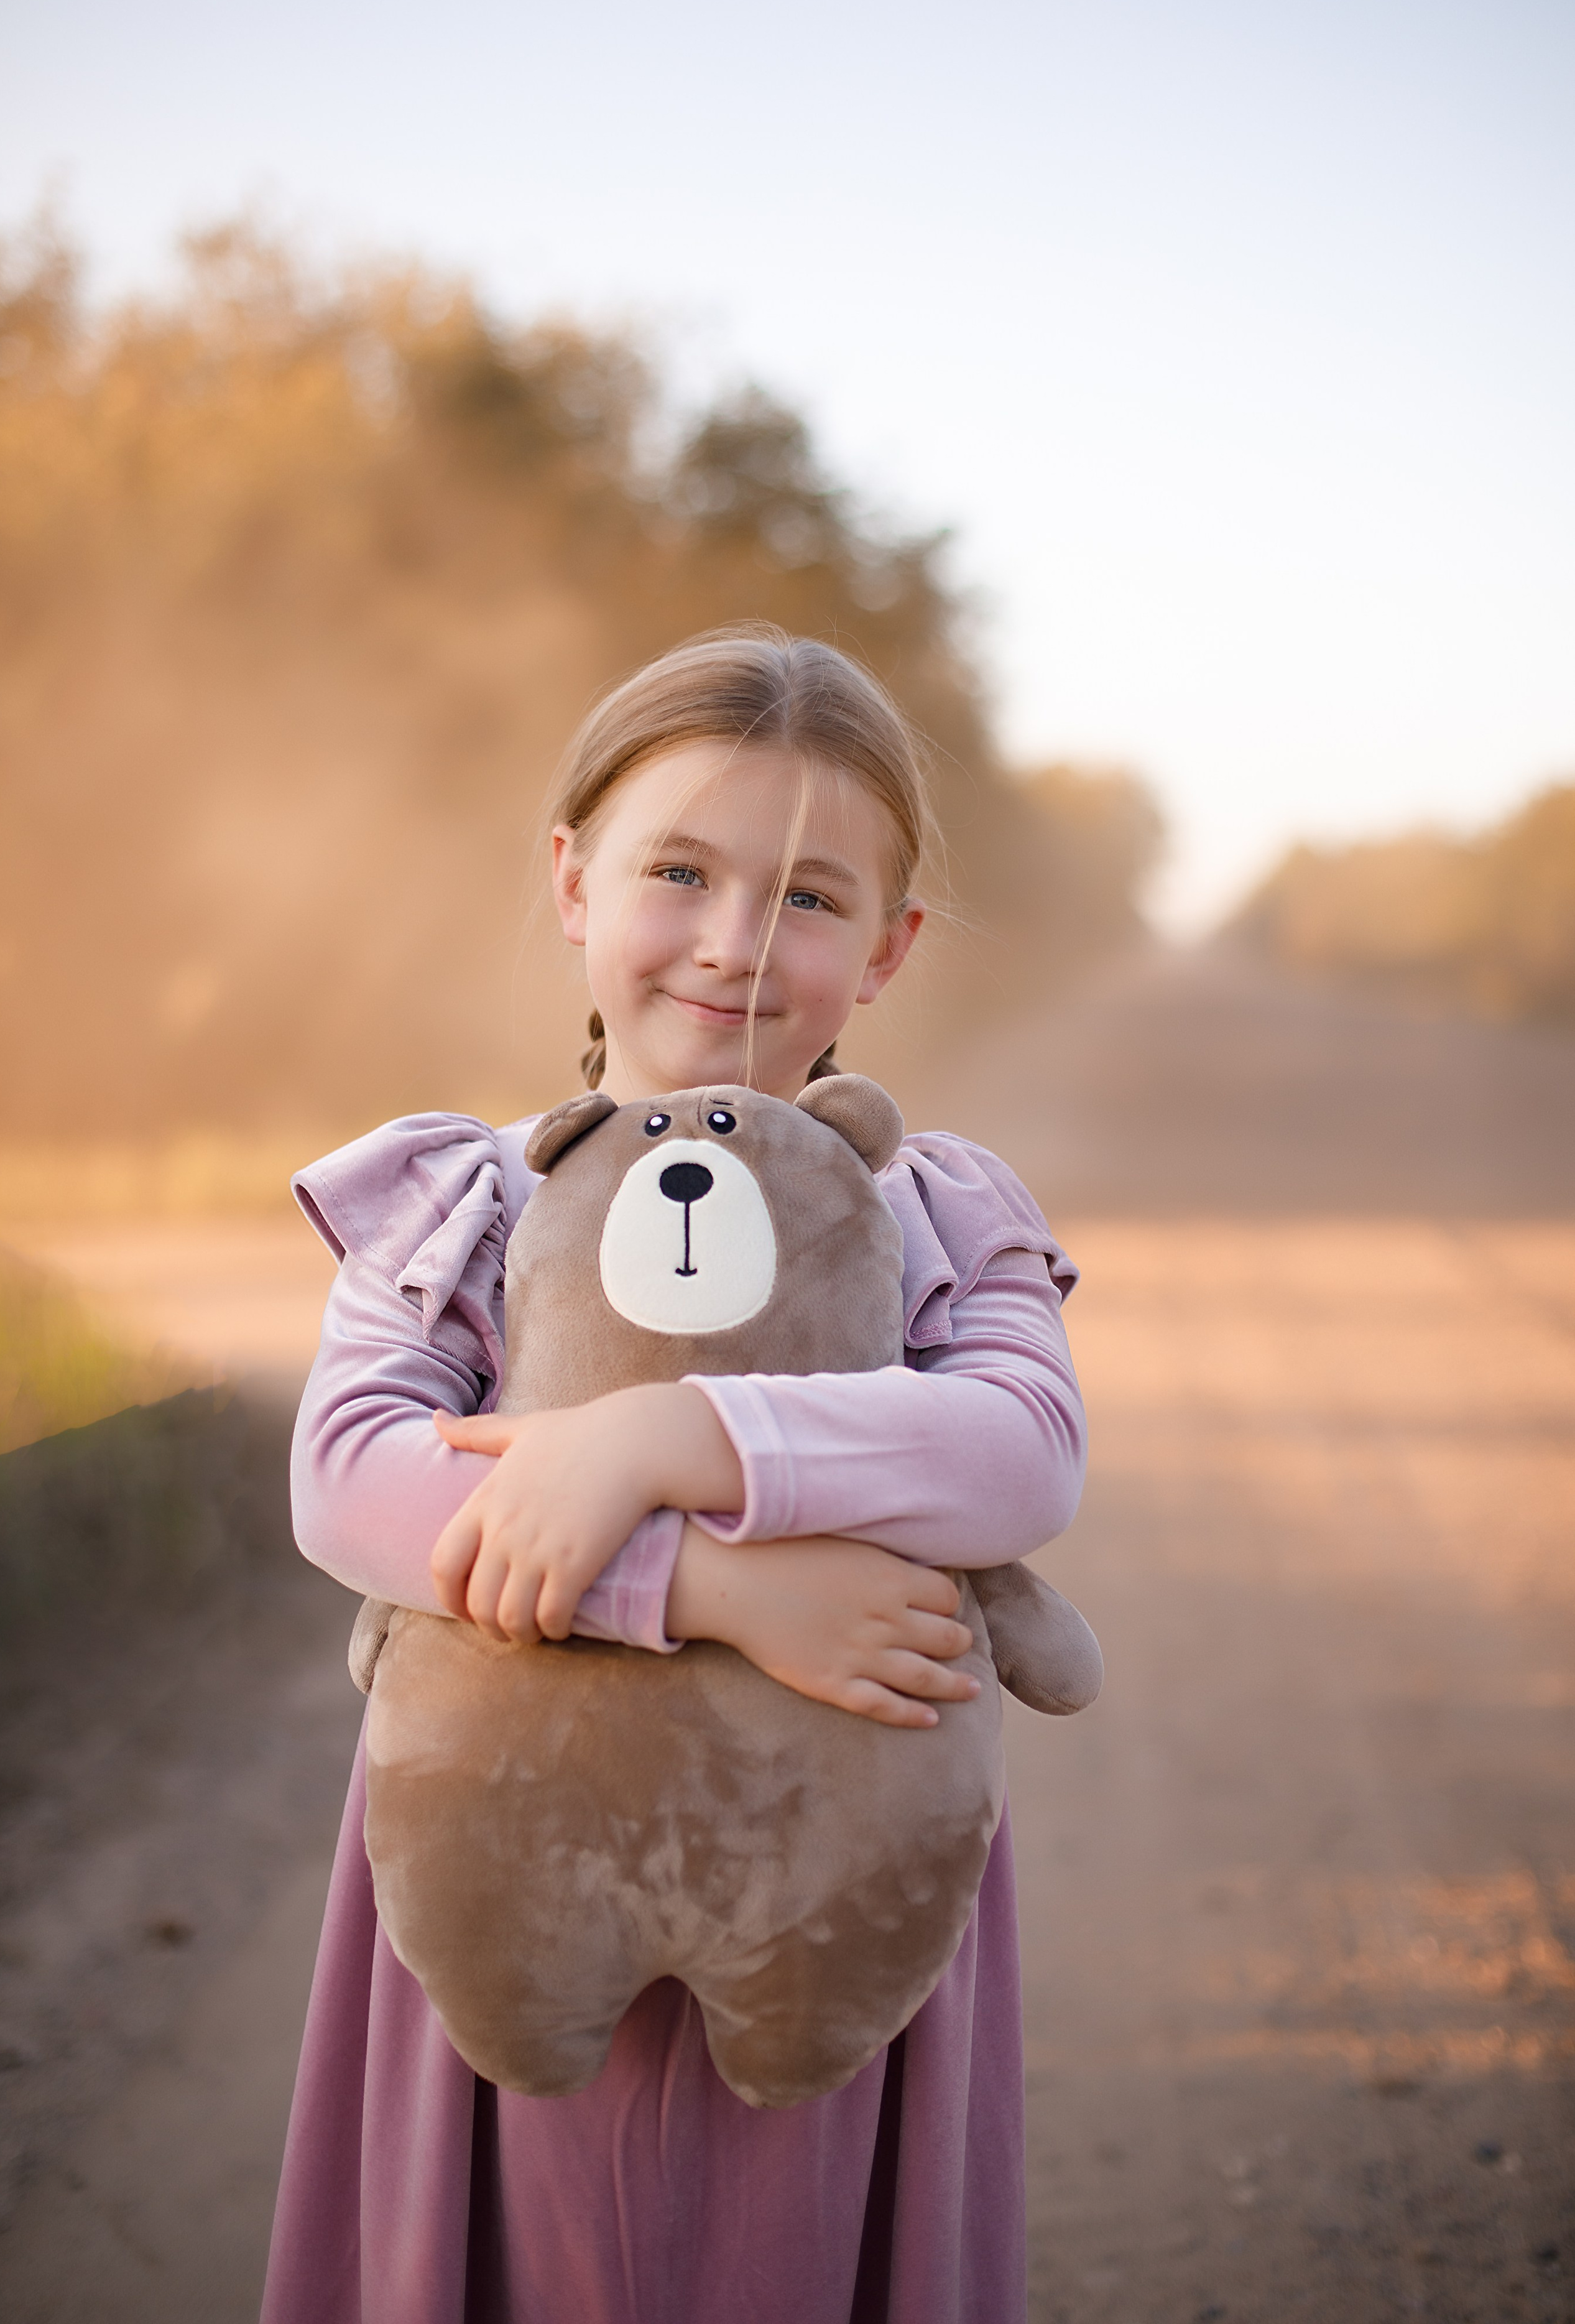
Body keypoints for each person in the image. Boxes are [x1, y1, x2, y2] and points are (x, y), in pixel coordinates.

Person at [260, 626, 1087, 2324]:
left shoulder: (939, 1211)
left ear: (889, 948)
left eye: (806, 898)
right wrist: (710, 1587)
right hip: (502, 1872)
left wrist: (668, 1440)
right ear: (573, 881)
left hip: (835, 1896)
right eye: (682, 871)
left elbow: (1022, 1459)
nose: (732, 944)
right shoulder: (467, 1204)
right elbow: (352, 1479)